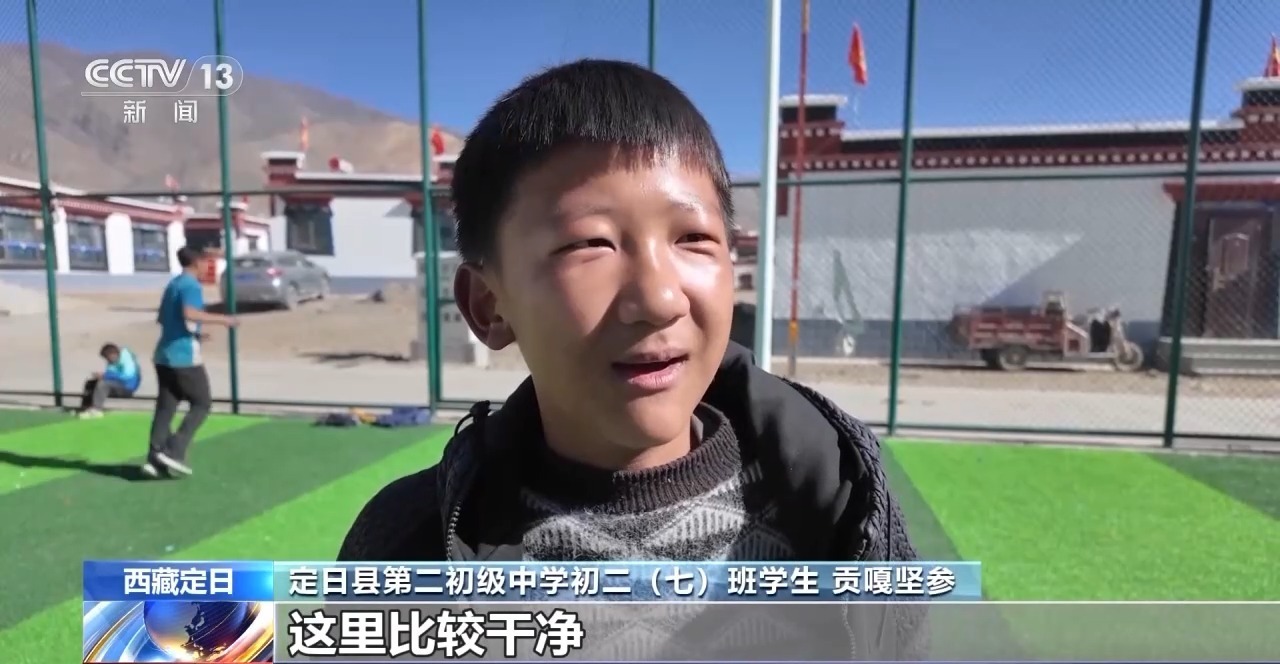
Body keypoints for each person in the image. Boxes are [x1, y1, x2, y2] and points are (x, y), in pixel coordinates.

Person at [338, 60, 925, 659]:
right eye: (589, 244)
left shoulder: (844, 502)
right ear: (489, 306)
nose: (660, 298)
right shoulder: (405, 548)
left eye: (693, 238)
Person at [141, 246, 238, 479]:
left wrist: (195, 334)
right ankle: (173, 451)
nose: (208, 267)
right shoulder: (191, 285)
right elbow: (190, 313)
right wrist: (224, 320)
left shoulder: (173, 284)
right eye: (207, 262)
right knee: (202, 403)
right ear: (197, 263)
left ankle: (154, 458)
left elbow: (163, 319)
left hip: (163, 355)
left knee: (166, 407)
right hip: (183, 357)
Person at [77, 343, 141, 418]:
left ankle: (97, 410)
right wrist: (102, 376)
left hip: (127, 388)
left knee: (103, 384)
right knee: (91, 383)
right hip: (116, 385)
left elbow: (127, 376)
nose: (107, 360)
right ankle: (86, 409)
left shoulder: (127, 359)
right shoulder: (112, 362)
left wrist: (105, 376)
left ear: (112, 355)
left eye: (107, 358)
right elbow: (110, 374)